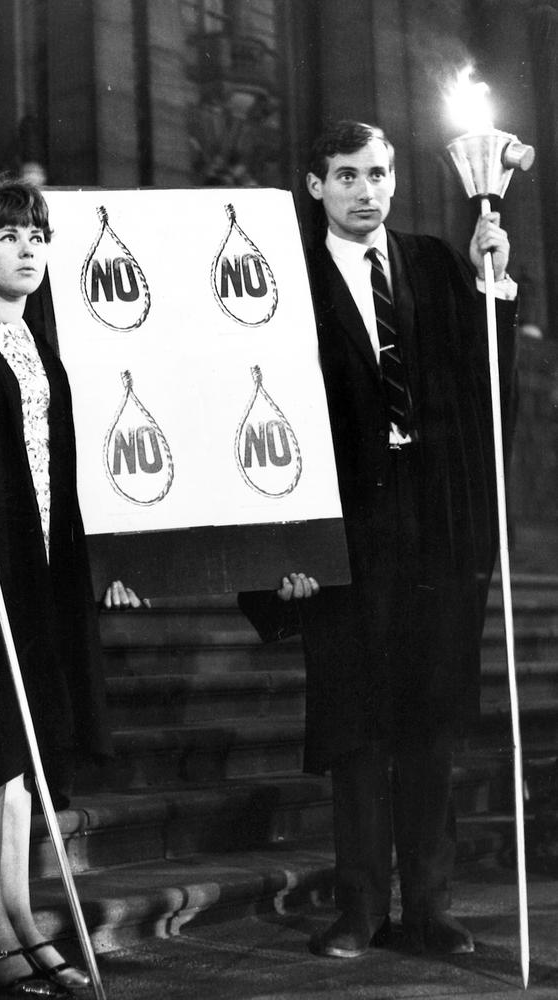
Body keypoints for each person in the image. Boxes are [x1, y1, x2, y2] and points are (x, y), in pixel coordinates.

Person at [239, 120, 518, 960]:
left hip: (434, 530)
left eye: (382, 173)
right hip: (344, 529)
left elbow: (485, 373)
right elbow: (264, 421)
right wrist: (277, 553)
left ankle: (428, 907)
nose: (370, 190)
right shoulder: (281, 277)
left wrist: (495, 288)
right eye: (350, 175)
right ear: (316, 185)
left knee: (429, 724)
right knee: (358, 729)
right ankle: (358, 909)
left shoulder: (434, 262)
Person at [0, 174, 139, 995]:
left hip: (35, 567)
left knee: (18, 762)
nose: (28, 248)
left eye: (36, 234)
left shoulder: (38, 339)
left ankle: (22, 922)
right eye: (8, 236)